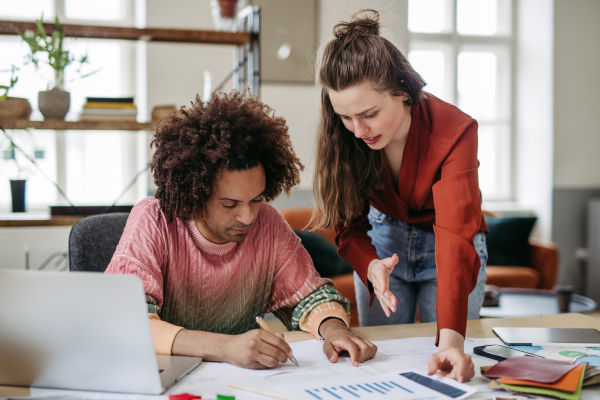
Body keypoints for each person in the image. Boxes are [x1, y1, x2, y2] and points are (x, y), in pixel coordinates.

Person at [105, 90, 377, 370]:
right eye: (229, 204)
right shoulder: (154, 220)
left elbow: (309, 297)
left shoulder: (268, 224)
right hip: (164, 376)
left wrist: (334, 330)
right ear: (195, 195)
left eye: (256, 200)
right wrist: (226, 347)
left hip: (241, 380)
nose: (248, 217)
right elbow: (125, 319)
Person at [312, 10, 488, 382]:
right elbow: (349, 227)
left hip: (448, 245)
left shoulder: (457, 130)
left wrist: (451, 343)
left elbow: (455, 238)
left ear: (402, 92)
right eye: (345, 117)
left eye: (369, 114)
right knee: (379, 362)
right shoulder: (347, 136)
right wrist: (370, 264)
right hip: (384, 242)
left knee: (446, 355)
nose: (358, 131)